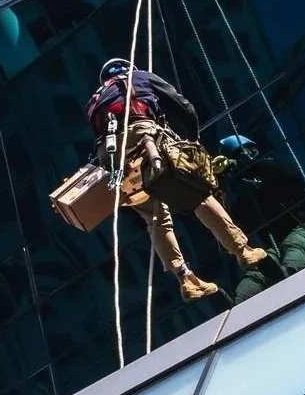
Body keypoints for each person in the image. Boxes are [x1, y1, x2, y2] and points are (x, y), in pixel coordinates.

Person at [87, 58, 265, 302]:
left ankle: (186, 280)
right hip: (145, 139)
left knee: (156, 219)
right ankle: (243, 251)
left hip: (113, 160)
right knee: (198, 194)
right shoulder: (140, 77)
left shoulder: (95, 101)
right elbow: (183, 105)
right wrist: (192, 138)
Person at [218, 136, 305, 302]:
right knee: (256, 270)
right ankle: (239, 302)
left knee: (293, 245)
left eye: (239, 155)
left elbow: (282, 174)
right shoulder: (245, 197)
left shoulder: (277, 168)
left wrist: (250, 167)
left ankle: (291, 277)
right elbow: (237, 227)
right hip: (277, 246)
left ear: (253, 152)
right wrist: (223, 195)